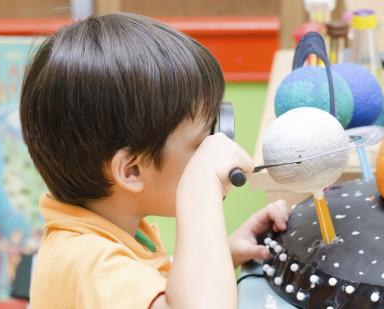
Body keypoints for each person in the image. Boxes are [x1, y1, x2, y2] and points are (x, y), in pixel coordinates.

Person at [21, 13, 290, 308]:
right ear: (132, 170)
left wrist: (224, 252)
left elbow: (160, 285)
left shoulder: (112, 228)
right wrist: (200, 189)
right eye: (199, 144)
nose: (211, 151)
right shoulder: (90, 264)